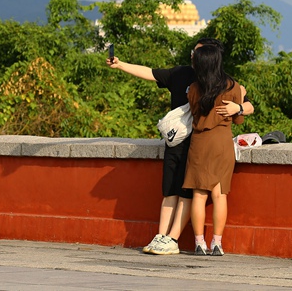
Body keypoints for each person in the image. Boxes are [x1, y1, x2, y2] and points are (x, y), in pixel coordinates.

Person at [106, 38, 252, 255]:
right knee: (187, 192)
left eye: (198, 52)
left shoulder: (202, 86)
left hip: (197, 144)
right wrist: (121, 64)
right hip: (199, 143)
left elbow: (241, 105)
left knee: (192, 194)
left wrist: (239, 106)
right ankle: (179, 238)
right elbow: (151, 73)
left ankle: (183, 239)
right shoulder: (219, 82)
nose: (194, 55)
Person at [183, 44, 250, 256]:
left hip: (200, 143)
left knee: (199, 195)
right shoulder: (232, 86)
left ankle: (199, 243)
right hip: (222, 142)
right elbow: (239, 119)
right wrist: (240, 98)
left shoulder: (194, 88)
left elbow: (194, 112)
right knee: (220, 195)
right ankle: (217, 243)